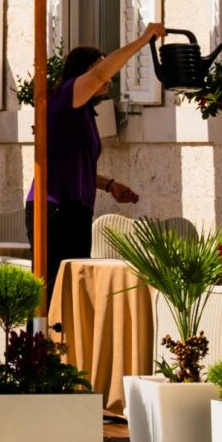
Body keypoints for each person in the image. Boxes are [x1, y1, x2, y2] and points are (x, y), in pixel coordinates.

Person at [24, 23, 161, 271]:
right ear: (82, 73)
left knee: (71, 291)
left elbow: (72, 163)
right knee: (55, 290)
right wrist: (143, 40)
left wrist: (110, 185)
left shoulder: (82, 112)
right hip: (53, 209)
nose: (106, 75)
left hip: (75, 211)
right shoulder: (67, 96)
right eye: (99, 65)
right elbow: (99, 76)